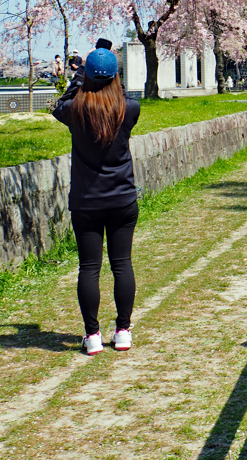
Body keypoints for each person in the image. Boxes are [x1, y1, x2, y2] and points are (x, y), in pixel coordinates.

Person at [52, 46, 141, 356]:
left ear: (85, 76)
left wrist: (78, 74)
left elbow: (59, 103)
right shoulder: (129, 109)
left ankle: (92, 336)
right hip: (122, 200)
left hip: (86, 202)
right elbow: (122, 95)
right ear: (117, 76)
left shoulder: (73, 111)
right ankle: (123, 332)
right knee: (122, 265)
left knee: (89, 268)